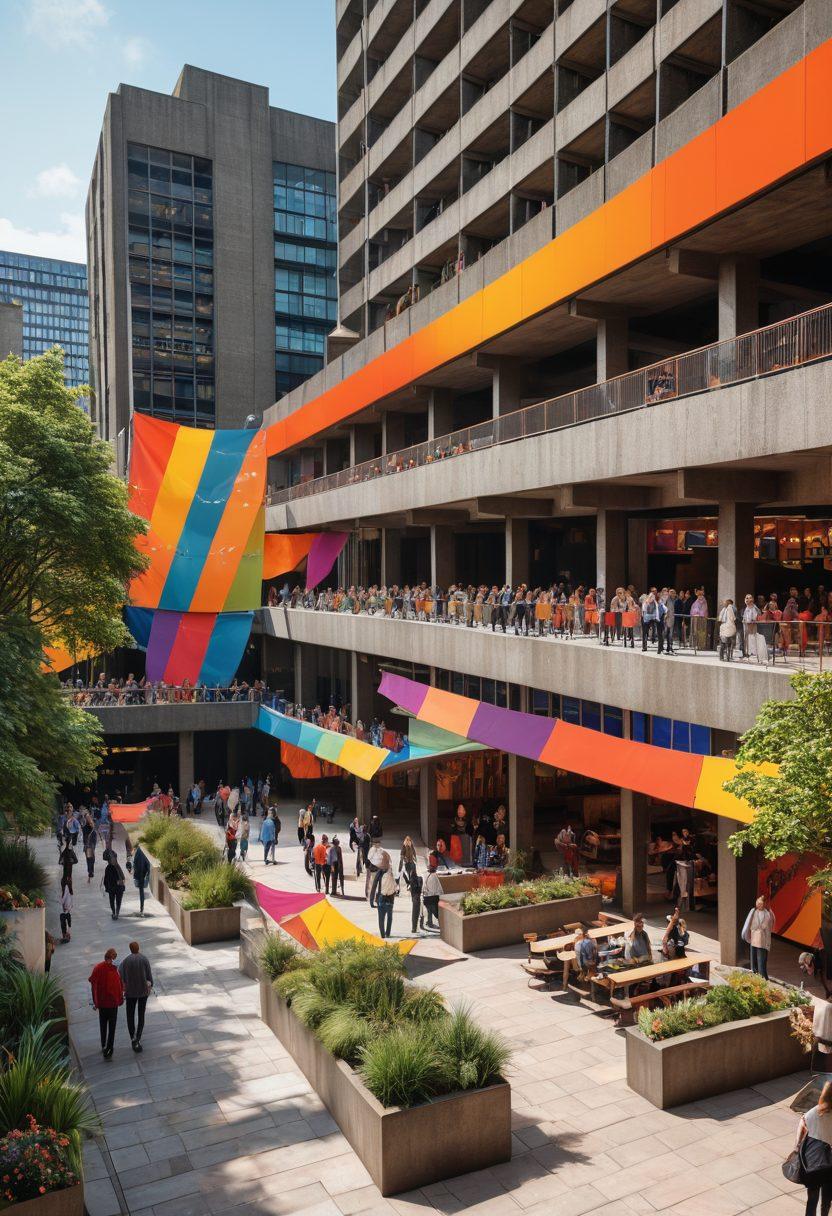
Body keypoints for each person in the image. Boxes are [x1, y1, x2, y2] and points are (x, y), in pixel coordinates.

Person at [795, 1080, 832, 1215]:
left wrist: (797, 1145)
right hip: (829, 1166)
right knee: (827, 1199)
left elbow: (802, 1123)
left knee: (812, 1200)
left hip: (813, 1161)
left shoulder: (815, 1111)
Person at [88, 948, 123, 1059]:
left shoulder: (98, 968)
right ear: (112, 958)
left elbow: (93, 983)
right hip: (112, 1004)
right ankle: (109, 1048)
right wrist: (120, 999)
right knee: (112, 1027)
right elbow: (118, 987)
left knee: (103, 1025)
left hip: (102, 1003)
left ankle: (104, 1045)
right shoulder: (114, 970)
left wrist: (95, 1001)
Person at [119, 941, 153, 1053]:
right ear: (138, 948)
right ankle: (138, 1037)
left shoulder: (125, 961)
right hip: (143, 992)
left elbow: (121, 975)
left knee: (130, 1015)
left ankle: (133, 1038)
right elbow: (149, 977)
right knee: (141, 1014)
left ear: (130, 949)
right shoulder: (144, 959)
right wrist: (150, 984)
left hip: (130, 993)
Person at [743, 895, 775, 978]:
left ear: (764, 904)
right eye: (757, 903)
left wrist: (757, 927)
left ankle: (763, 976)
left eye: (760, 904)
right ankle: (754, 973)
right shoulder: (754, 912)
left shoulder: (767, 914)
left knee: (761, 960)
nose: (759, 905)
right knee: (753, 958)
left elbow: (765, 925)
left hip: (762, 940)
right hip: (754, 938)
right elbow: (751, 924)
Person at [102, 855, 126, 919]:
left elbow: (106, 879)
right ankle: (115, 913)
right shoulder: (117, 867)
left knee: (114, 901)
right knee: (117, 901)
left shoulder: (109, 867)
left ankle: (115, 913)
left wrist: (107, 887)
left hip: (114, 888)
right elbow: (123, 877)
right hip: (116, 888)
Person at [377, 867, 397, 939]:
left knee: (381, 918)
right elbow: (396, 889)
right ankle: (387, 933)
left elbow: (378, 888)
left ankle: (382, 934)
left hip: (382, 898)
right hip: (390, 900)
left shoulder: (382, 877)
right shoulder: (392, 878)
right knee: (389, 918)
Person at [422, 859, 443, 929]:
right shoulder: (435, 877)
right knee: (436, 912)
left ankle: (430, 922)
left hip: (427, 897)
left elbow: (424, 886)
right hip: (433, 898)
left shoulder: (426, 876)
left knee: (429, 911)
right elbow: (438, 888)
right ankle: (440, 924)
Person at [132, 845, 150, 917]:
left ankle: (142, 908)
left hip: (139, 874)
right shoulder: (145, 850)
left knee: (141, 891)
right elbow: (147, 863)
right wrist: (148, 873)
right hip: (143, 874)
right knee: (141, 891)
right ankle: (142, 908)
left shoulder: (138, 851)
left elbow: (135, 863)